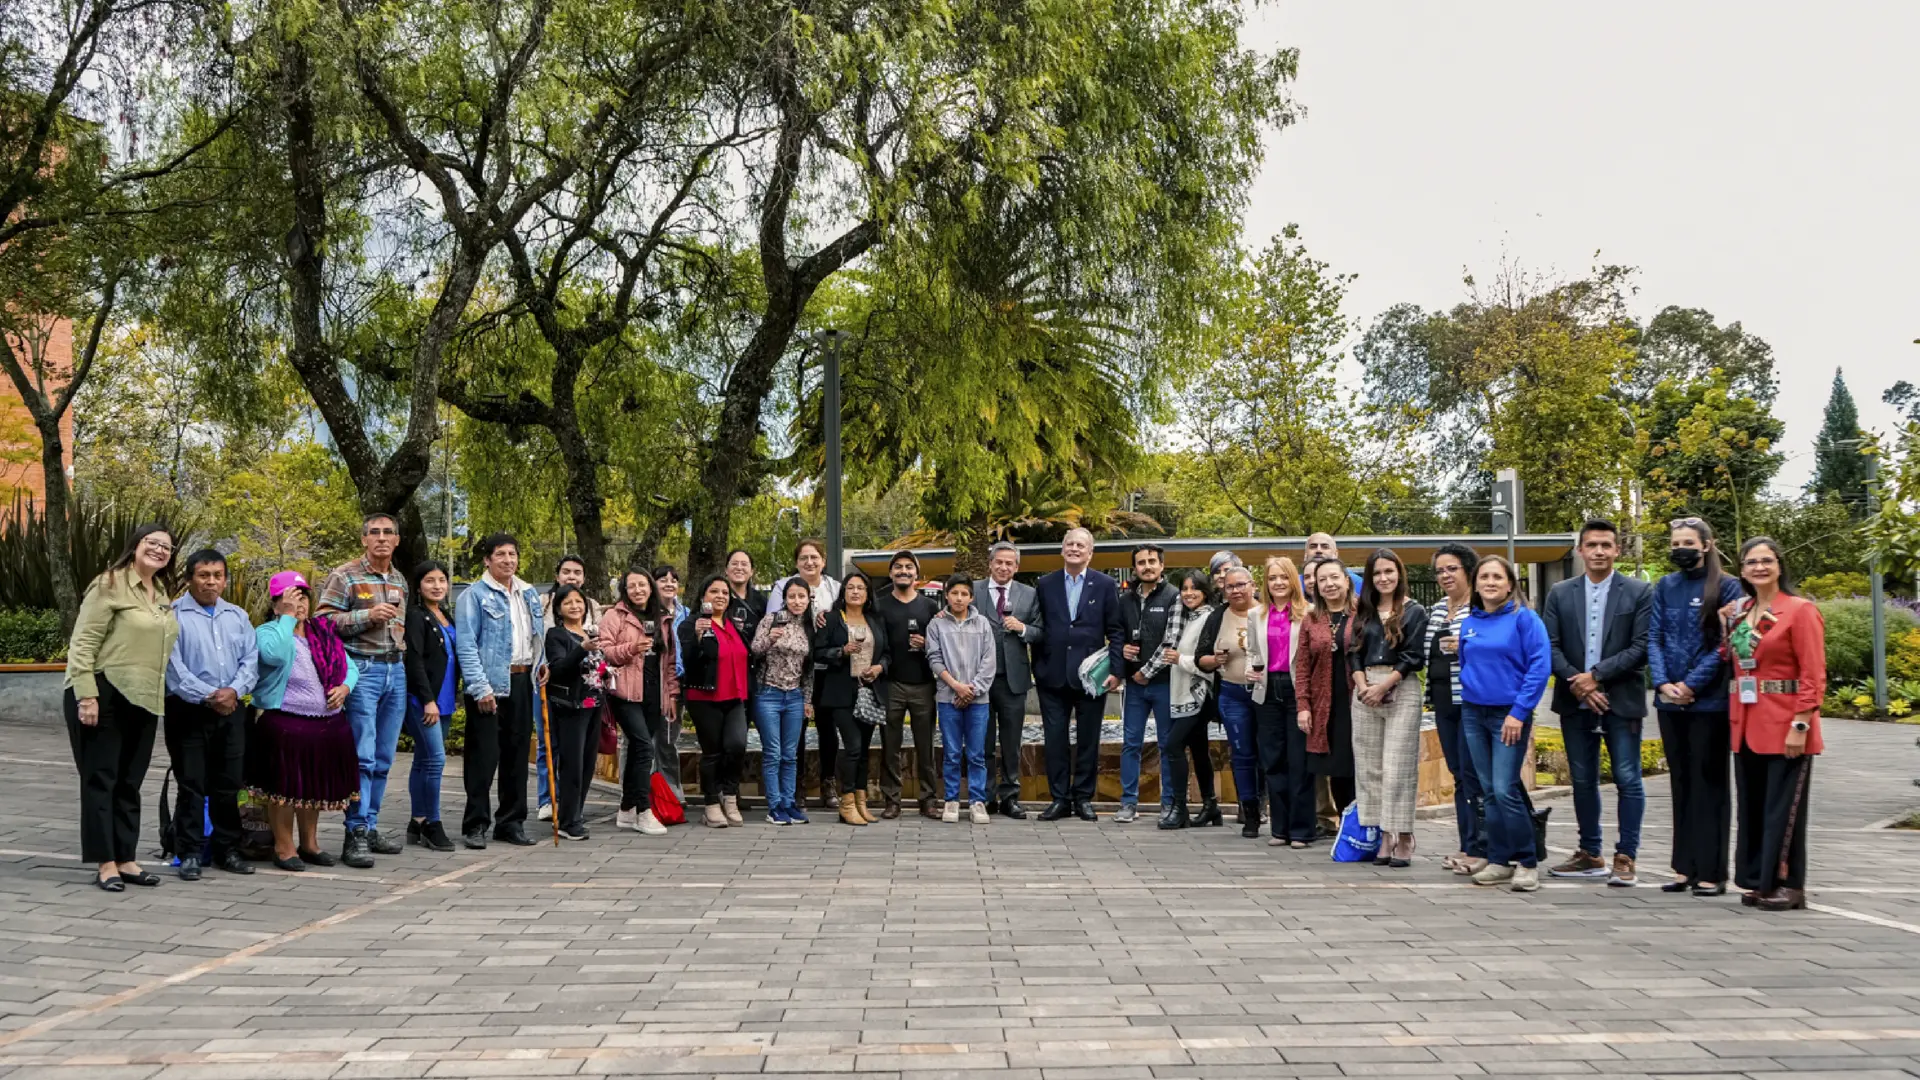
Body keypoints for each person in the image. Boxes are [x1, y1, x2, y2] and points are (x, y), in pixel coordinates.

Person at [65, 525, 179, 892]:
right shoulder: (109, 584)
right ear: (135, 546)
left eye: (166, 547)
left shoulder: (161, 593)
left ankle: (126, 858)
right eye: (152, 543)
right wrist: (87, 696)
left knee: (130, 781)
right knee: (102, 779)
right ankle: (105, 863)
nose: (159, 550)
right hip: (104, 691)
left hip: (144, 697)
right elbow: (82, 643)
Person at [1544, 519, 1654, 886]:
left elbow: (1641, 647)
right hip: (1574, 699)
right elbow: (1551, 645)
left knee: (1627, 777)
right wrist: (1580, 683)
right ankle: (1590, 853)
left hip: (1620, 700)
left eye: (1606, 545)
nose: (1599, 552)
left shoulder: (1639, 592)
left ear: (1617, 550)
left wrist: (1598, 677)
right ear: (1580, 551)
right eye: (1592, 545)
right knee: (1582, 779)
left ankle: (1626, 856)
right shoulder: (1560, 592)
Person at [1725, 536, 1825, 911]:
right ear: (1742, 571)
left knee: (1785, 810)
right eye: (1751, 562)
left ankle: (1789, 883)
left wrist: (1801, 724)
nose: (1759, 567)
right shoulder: (1741, 612)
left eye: (1767, 560)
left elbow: (1813, 673)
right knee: (1753, 806)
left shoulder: (1800, 611)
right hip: (1747, 720)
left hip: (1786, 723)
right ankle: (1758, 880)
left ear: (1780, 566)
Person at [1649, 517, 1744, 896]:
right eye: (1675, 543)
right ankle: (1682, 867)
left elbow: (1727, 644)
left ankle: (1711, 871)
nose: (1680, 549)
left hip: (1709, 703)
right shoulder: (1665, 586)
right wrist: (1663, 683)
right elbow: (1653, 637)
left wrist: (1691, 684)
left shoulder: (1727, 586)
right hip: (1670, 702)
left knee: (1710, 785)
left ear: (1706, 544)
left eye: (1687, 542)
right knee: (1681, 783)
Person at [248, 571, 362, 871]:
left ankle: (309, 844)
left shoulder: (321, 632)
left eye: (303, 597)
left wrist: (344, 687)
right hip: (286, 722)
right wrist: (286, 618)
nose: (299, 603)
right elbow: (273, 656)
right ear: (276, 605)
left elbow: (349, 667)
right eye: (291, 597)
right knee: (284, 790)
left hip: (326, 724)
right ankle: (283, 847)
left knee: (311, 788)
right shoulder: (268, 631)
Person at [315, 512, 409, 868]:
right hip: (362, 670)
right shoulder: (346, 575)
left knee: (385, 759)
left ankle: (370, 825)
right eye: (374, 533)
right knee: (363, 757)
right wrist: (367, 616)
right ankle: (353, 832)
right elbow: (322, 622)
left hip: (394, 670)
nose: (382, 538)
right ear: (364, 540)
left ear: (397, 540)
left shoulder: (399, 579)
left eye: (388, 533)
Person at [1457, 555, 1552, 892]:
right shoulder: (1470, 622)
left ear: (1511, 584)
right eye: (1484, 577)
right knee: (1488, 792)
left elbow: (1539, 668)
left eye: (1498, 577)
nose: (1491, 582)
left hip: (1508, 715)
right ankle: (1498, 860)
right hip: (1473, 713)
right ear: (1476, 583)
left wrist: (1519, 712)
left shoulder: (1525, 619)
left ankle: (1527, 861)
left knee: (1504, 789)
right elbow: (1466, 664)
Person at [163, 549, 260, 879]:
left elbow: (251, 661)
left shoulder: (237, 616)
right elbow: (173, 669)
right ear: (190, 578)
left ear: (225, 579)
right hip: (188, 710)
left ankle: (227, 849)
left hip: (232, 710)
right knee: (191, 783)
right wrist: (210, 696)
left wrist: (232, 692)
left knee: (229, 784)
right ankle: (189, 851)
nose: (211, 582)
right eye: (204, 575)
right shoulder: (172, 615)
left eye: (218, 575)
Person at [453, 532, 547, 849]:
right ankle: (475, 824)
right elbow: (466, 646)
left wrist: (541, 663)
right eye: (501, 554)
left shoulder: (529, 593)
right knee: (483, 758)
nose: (508, 560)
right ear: (487, 559)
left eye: (513, 554)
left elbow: (537, 637)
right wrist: (480, 688)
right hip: (489, 683)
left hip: (522, 680)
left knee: (518, 755)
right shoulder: (474, 596)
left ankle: (511, 822)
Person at [1032, 528, 1125, 822]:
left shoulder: (1105, 584)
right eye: (1069, 544)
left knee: (1088, 740)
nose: (1074, 549)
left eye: (1080, 545)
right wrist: (1039, 667)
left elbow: (1116, 631)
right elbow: (1037, 627)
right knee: (1054, 740)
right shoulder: (1044, 585)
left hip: (1091, 680)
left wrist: (1116, 671)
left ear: (1090, 553)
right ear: (1062, 550)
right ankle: (1059, 798)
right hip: (1052, 676)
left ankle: (1083, 798)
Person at [1343, 549, 1428, 867]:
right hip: (1365, 690)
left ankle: (1403, 834)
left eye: (1389, 571)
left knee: (1397, 769)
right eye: (1377, 573)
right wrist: (1363, 686)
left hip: (1399, 686)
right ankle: (1384, 835)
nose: (1383, 578)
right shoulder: (1363, 610)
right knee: (1369, 769)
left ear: (1399, 573)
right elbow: (1353, 652)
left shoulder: (1414, 611)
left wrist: (1384, 686)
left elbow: (1413, 657)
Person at [1424, 543, 1488, 876]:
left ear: (1467, 569)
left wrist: (1461, 646)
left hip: (1471, 700)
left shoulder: (1480, 608)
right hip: (1442, 700)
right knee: (1459, 775)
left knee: (1472, 773)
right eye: (1440, 570)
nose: (1445, 575)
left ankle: (1481, 848)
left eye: (1452, 569)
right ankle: (1468, 845)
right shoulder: (1436, 609)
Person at [598, 569, 673, 835]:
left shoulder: (663, 617)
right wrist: (631, 648)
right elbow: (603, 652)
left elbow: (670, 661)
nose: (638, 590)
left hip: (653, 692)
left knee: (641, 749)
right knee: (643, 748)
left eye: (643, 585)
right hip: (624, 692)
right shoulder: (614, 616)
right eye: (632, 586)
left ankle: (626, 808)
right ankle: (643, 810)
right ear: (624, 590)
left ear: (651, 588)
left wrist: (671, 694)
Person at [1248, 556, 1314, 848]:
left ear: (1293, 580)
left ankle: (1301, 830)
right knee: (1272, 760)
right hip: (1266, 689)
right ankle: (1280, 829)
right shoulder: (1256, 615)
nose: (1278, 583)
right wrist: (1251, 668)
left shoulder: (1308, 613)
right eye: (1272, 578)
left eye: (1283, 577)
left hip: (1297, 689)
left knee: (1299, 760)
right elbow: (1252, 651)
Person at [1193, 564, 1263, 836]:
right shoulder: (1217, 617)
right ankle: (1250, 811)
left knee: (1268, 753)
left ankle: (1270, 804)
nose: (1235, 590)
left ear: (1253, 584)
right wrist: (1214, 660)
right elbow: (1202, 657)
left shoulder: (1267, 613)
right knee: (1242, 753)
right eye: (1230, 586)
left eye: (1241, 584)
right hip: (1232, 694)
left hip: (1266, 693)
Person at [815, 571, 890, 825]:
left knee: (865, 751)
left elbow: (887, 653)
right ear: (843, 592)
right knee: (853, 746)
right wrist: (841, 651)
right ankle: (846, 802)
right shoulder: (833, 619)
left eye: (861, 588)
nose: (855, 592)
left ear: (868, 594)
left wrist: (879, 668)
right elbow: (817, 652)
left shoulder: (875, 619)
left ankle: (861, 801)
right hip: (840, 693)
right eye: (850, 588)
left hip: (869, 691)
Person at [975, 542, 1042, 819]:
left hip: (1013, 679)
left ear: (1017, 567)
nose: (1004, 567)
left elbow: (1041, 631)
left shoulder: (1029, 594)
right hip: (980, 679)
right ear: (990, 564)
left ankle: (1011, 796)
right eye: (999, 562)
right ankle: (986, 796)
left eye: (1009, 563)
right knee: (983, 741)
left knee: (1012, 742)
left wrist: (1023, 628)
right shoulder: (974, 590)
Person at [873, 549, 941, 818]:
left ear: (917, 574)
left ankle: (928, 799)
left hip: (923, 683)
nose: (903, 571)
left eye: (909, 567)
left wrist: (928, 644)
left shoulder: (930, 607)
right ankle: (892, 800)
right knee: (890, 745)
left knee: (926, 745)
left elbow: (943, 643)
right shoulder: (879, 604)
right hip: (890, 684)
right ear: (890, 573)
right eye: (898, 567)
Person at [680, 574, 751, 827]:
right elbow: (688, 661)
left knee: (737, 745)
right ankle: (711, 803)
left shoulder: (735, 624)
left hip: (735, 696)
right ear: (703, 597)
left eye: (724, 592)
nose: (720, 596)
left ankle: (729, 797)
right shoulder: (691, 624)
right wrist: (698, 639)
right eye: (714, 592)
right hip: (705, 696)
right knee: (712, 752)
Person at [537, 555, 603, 822]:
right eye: (568, 602)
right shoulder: (557, 635)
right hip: (570, 705)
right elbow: (559, 668)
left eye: (579, 602)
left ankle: (576, 811)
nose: (575, 606)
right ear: (559, 608)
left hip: (594, 704)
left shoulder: (591, 633)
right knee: (571, 763)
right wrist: (581, 651)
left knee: (588, 763)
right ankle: (565, 817)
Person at [927, 575, 997, 823]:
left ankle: (978, 801)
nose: (959, 598)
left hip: (978, 701)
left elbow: (989, 663)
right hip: (948, 699)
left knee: (977, 753)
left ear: (971, 597)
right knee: (952, 753)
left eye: (964, 594)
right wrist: (957, 687)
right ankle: (952, 800)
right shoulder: (936, 625)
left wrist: (972, 690)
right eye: (954, 593)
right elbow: (934, 659)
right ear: (946, 595)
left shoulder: (983, 624)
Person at [1116, 543, 1178, 824]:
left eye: (1152, 561)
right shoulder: (1125, 599)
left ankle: (1169, 803)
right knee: (1130, 744)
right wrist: (1122, 651)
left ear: (1162, 565)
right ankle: (1128, 803)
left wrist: (1147, 672)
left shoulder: (1174, 597)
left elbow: (1171, 642)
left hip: (1164, 682)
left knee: (1167, 744)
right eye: (1141, 562)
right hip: (1134, 685)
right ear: (1134, 568)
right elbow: (1118, 634)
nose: (1147, 566)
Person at [401, 560, 458, 852]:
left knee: (424, 760)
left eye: (441, 581)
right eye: (430, 581)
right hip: (425, 701)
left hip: (446, 699)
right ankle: (432, 824)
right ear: (418, 586)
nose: (437, 586)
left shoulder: (446, 615)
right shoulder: (416, 616)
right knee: (435, 760)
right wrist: (427, 700)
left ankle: (417, 820)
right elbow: (414, 661)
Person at [752, 579, 817, 824]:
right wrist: (770, 638)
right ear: (785, 598)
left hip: (795, 696)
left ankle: (789, 803)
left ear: (809, 598)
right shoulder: (771, 620)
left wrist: (807, 699)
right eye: (792, 596)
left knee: (790, 755)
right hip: (768, 693)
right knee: (773, 753)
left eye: (802, 596)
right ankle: (774, 805)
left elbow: (809, 669)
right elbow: (755, 649)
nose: (797, 601)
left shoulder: (810, 626)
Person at [1163, 570, 1223, 829]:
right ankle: (1211, 806)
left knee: (1173, 745)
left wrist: (1181, 660)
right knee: (1198, 748)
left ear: (1205, 591)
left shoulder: (1210, 618)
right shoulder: (1185, 618)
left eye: (1194, 588)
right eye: (1184, 588)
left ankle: (1179, 808)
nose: (1188, 593)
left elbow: (1212, 661)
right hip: (1182, 690)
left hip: (1199, 693)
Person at [1306, 559, 1358, 824]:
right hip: (1326, 703)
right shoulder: (1312, 618)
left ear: (1346, 580)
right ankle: (1347, 826)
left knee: (1360, 764)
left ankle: (1369, 825)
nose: (1329, 584)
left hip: (1359, 701)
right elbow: (1303, 666)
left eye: (1334, 577)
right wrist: (1304, 706)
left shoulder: (1363, 612)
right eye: (1322, 579)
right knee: (1337, 768)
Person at [653, 564, 690, 800]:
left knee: (668, 739)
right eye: (663, 579)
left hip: (679, 682)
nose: (669, 584)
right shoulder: (648, 613)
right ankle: (642, 795)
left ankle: (671, 795)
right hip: (652, 682)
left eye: (673, 580)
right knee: (643, 741)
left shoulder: (686, 613)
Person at [767, 538, 841, 616]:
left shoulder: (835, 588)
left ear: (823, 562)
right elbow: (772, 620)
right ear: (796, 563)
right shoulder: (781, 587)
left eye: (814, 557)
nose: (809, 562)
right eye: (803, 558)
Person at [1304, 532, 1367, 597]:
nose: (1318, 550)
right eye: (1313, 547)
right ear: (1305, 554)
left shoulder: (1356, 582)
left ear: (1335, 554)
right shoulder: (1297, 583)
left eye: (1325, 547)